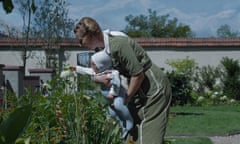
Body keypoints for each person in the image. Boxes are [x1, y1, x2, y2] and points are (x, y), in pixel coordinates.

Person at [73, 17, 172, 144]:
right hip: (137, 88)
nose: (80, 44)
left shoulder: (118, 44)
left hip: (153, 86)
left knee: (149, 135)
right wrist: (98, 78)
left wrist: (126, 99)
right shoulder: (102, 50)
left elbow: (138, 74)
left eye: (81, 40)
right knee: (131, 133)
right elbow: (104, 73)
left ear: (91, 35)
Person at [61, 50, 134, 139]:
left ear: (101, 64)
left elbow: (117, 84)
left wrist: (112, 93)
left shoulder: (112, 73)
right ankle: (122, 125)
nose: (91, 66)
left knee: (118, 106)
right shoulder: (97, 72)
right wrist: (75, 68)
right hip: (109, 99)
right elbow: (85, 70)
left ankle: (129, 120)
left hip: (118, 95)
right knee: (113, 113)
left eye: (93, 64)